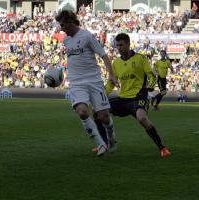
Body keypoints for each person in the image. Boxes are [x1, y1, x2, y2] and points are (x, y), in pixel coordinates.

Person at [55, 10, 119, 156]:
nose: (62, 28)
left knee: (104, 117)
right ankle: (100, 144)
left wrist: (112, 75)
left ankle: (111, 138)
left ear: (71, 22)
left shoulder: (87, 36)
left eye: (63, 25)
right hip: (76, 83)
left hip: (94, 81)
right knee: (82, 112)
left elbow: (103, 55)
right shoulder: (66, 40)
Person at [96, 33, 170, 157]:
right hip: (123, 98)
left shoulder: (140, 58)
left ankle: (162, 147)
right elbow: (111, 82)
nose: (119, 48)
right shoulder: (116, 63)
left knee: (142, 118)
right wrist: (102, 96)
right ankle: (105, 143)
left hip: (138, 97)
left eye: (121, 45)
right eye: (117, 45)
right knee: (98, 112)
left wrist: (150, 86)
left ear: (128, 44)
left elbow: (151, 75)